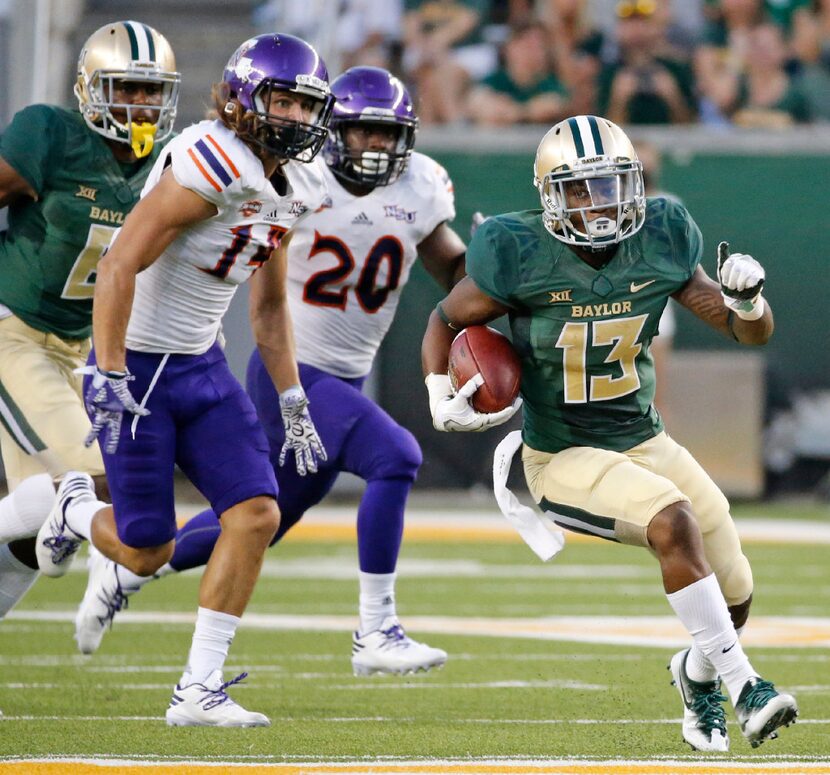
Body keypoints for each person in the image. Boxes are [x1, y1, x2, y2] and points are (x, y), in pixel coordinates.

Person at [421, 115, 798, 751]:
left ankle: (697, 676)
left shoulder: (662, 235)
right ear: (550, 196)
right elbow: (444, 316)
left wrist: (749, 304)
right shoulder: (518, 252)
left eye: (610, 186)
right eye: (579, 189)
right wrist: (437, 389)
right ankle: (746, 687)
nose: (598, 204)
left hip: (642, 438)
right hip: (562, 451)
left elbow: (744, 332)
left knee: (735, 586)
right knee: (672, 521)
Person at [73, 66, 465, 676]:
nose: (375, 148)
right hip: (294, 367)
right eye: (362, 133)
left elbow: (456, 273)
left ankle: (127, 567)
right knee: (397, 456)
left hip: (339, 376)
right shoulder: (281, 172)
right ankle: (377, 630)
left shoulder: (413, 187)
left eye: (388, 135)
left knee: (261, 517)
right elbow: (167, 261)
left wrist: (500, 293)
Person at [33, 33, 332, 727]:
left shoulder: (296, 184)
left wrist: (292, 399)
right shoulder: (212, 158)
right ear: (242, 98)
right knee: (146, 546)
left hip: (200, 366)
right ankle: (75, 506)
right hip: (136, 367)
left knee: (257, 513)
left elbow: (267, 305)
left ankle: (198, 689)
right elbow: (117, 265)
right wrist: (107, 372)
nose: (293, 116)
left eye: (304, 104)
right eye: (281, 99)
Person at [0, 20, 180, 620]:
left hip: (78, 353)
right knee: (95, 476)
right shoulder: (49, 132)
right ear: (89, 86)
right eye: (126, 87)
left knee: (39, 529)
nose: (140, 104)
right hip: (14, 331)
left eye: (151, 91)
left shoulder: (165, 167)